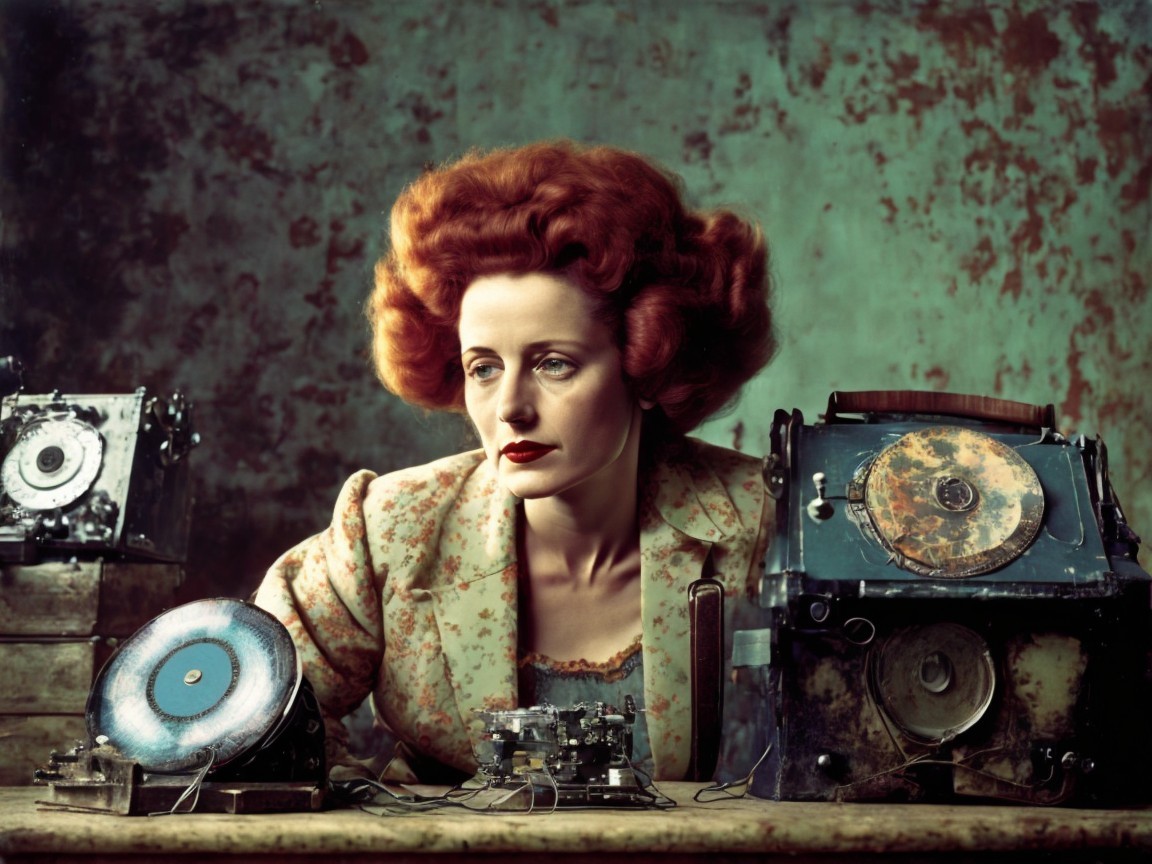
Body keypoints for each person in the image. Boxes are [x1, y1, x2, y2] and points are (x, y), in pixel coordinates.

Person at [254, 139, 777, 786]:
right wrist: (382, 812)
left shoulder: (765, 527)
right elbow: (250, 712)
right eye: (483, 368)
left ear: (646, 362)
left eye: (553, 364)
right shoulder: (390, 527)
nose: (510, 409)